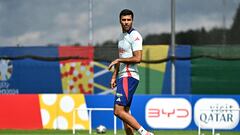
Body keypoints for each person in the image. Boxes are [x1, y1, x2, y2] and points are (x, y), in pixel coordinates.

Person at [108, 9, 154, 135]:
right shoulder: (121, 36)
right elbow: (121, 57)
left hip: (129, 76)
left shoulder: (135, 36)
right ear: (120, 21)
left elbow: (138, 58)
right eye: (124, 20)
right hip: (123, 76)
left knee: (118, 111)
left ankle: (145, 133)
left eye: (129, 20)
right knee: (125, 114)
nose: (126, 22)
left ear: (132, 20)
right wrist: (114, 75)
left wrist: (118, 59)